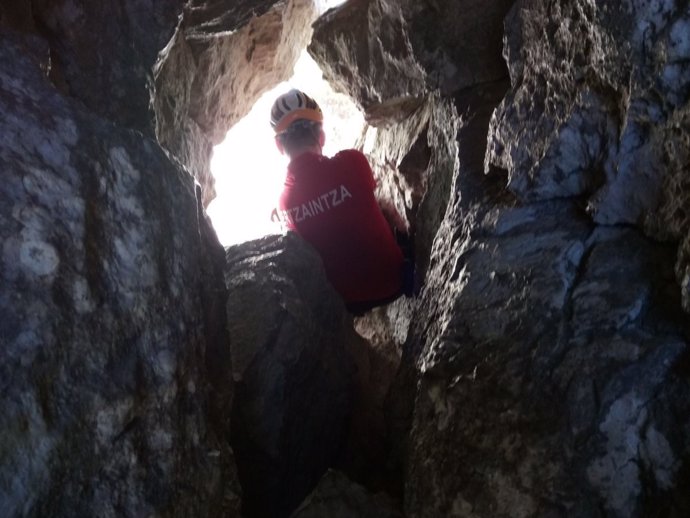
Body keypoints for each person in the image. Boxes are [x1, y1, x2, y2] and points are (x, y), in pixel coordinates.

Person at [270, 89, 411, 314]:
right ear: (322, 136)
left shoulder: (284, 204)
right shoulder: (353, 162)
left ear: (279, 146)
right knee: (381, 201)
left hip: (346, 304)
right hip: (394, 282)